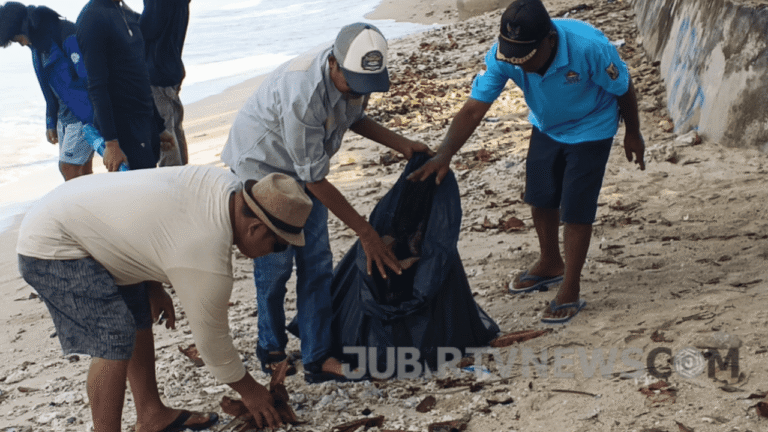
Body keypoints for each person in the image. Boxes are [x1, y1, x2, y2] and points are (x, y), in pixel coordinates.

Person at [17, 165, 313, 431]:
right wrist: (251, 391)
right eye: (278, 246)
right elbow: (212, 345)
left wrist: (153, 283)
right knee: (113, 336)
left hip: (74, 208)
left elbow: (152, 219)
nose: (277, 253)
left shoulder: (224, 185)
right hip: (53, 244)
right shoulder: (205, 250)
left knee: (137, 313)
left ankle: (151, 414)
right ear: (255, 228)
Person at [408, 0, 645, 324]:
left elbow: (623, 87)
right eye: (513, 57)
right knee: (540, 196)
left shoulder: (589, 47)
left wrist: (633, 132)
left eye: (527, 57)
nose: (518, 64)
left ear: (550, 40)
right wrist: (444, 154)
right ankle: (550, 262)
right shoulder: (505, 55)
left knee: (576, 208)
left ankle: (571, 287)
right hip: (547, 124)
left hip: (592, 125)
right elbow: (473, 110)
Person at [221, 22, 431, 382]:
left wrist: (402, 144)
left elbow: (355, 117)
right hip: (263, 168)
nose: (358, 91)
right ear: (333, 62)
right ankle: (271, 349)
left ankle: (318, 357)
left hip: (305, 167)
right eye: (353, 83)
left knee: (317, 264)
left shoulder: (356, 77)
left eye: (365, 85)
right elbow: (315, 179)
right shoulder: (303, 94)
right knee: (275, 267)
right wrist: (366, 232)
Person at [0, 2, 94, 180]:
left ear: (23, 28)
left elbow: (89, 78)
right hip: (63, 116)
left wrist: (99, 118)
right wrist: (51, 121)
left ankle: (81, 199)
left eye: (17, 39)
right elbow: (47, 87)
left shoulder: (65, 33)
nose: (21, 44)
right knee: (81, 168)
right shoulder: (36, 45)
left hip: (83, 114)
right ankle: (93, 197)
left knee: (68, 167)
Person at [76, 0, 161, 172]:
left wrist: (159, 125)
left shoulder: (124, 12)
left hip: (144, 122)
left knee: (150, 180)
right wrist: (111, 142)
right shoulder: (91, 18)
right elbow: (97, 85)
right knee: (138, 185)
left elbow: (139, 73)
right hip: (123, 127)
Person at [140, 0, 190, 166]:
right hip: (171, 68)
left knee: (164, 131)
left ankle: (173, 176)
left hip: (158, 72)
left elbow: (147, 29)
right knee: (174, 127)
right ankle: (182, 173)